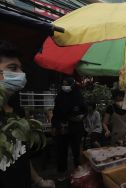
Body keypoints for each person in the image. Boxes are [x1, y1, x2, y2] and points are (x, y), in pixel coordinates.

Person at [0, 40, 54, 188]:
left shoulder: (15, 110)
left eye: (20, 68)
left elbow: (21, 155)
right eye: (13, 68)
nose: (21, 74)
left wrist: (39, 181)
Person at [51, 77, 87, 181]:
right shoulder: (59, 97)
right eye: (63, 84)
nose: (65, 86)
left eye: (67, 84)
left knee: (76, 150)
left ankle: (78, 170)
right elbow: (55, 113)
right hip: (62, 128)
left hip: (76, 128)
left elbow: (85, 110)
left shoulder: (78, 96)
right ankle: (62, 172)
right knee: (61, 151)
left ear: (72, 85)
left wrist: (81, 117)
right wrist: (56, 125)